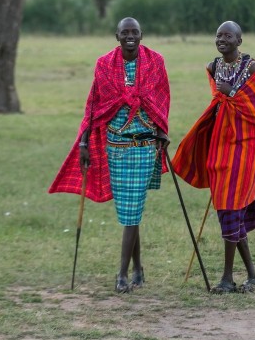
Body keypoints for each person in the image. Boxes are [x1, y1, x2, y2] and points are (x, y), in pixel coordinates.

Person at [49, 17, 170, 294]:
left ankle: (123, 274)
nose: (130, 36)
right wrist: (83, 142)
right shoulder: (104, 64)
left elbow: (162, 98)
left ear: (141, 35)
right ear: (116, 36)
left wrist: (162, 128)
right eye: (125, 32)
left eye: (135, 32)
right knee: (130, 211)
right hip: (116, 147)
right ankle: (138, 268)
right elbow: (94, 105)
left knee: (131, 209)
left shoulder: (155, 62)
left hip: (143, 147)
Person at [172, 20, 255, 294]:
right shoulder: (212, 67)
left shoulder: (252, 69)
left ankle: (228, 278)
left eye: (228, 35)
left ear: (239, 41)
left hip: (245, 147)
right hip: (220, 145)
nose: (222, 39)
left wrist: (232, 95)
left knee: (231, 206)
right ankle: (252, 276)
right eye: (218, 35)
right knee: (229, 210)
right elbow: (217, 104)